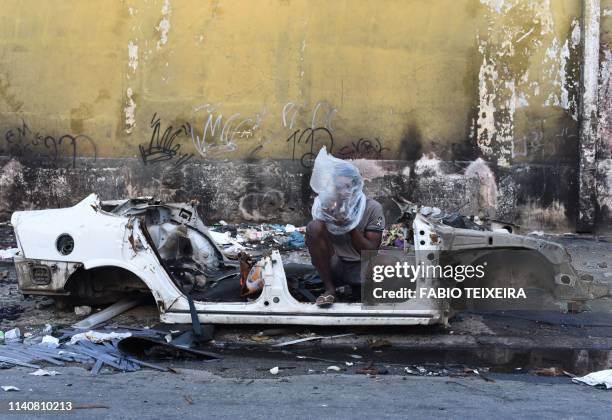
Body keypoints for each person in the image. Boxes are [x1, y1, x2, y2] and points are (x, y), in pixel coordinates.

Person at [305, 154, 385, 306]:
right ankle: (330, 290)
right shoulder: (327, 205)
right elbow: (316, 239)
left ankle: (355, 291)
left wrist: (349, 227)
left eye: (348, 187)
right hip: (335, 264)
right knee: (313, 227)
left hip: (360, 267)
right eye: (339, 187)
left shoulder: (372, 208)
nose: (344, 192)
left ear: (356, 186)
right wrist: (327, 217)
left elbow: (370, 251)